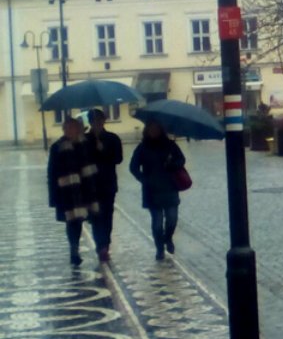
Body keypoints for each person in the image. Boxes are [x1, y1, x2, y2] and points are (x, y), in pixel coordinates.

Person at [129, 121, 186, 261]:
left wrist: (173, 164)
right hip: (152, 190)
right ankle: (159, 248)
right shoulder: (142, 147)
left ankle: (168, 238)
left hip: (170, 187)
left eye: (156, 129)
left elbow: (181, 159)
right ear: (147, 131)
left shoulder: (170, 145)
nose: (153, 131)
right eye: (151, 129)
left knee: (172, 219)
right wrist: (143, 179)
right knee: (157, 223)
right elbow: (133, 167)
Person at [47, 116, 99, 267]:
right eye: (67, 128)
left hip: (87, 189)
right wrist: (53, 197)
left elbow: (97, 161)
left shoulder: (86, 144)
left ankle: (101, 247)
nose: (70, 131)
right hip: (68, 192)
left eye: (73, 127)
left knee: (88, 219)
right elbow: (52, 172)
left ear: (79, 129)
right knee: (73, 222)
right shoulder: (57, 147)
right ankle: (74, 250)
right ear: (63, 130)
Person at [85, 108, 123, 264]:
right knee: (95, 216)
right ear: (90, 122)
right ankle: (100, 244)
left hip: (108, 183)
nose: (98, 123)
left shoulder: (112, 138)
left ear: (104, 121)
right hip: (90, 184)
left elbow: (118, 159)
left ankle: (105, 244)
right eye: (94, 121)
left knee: (107, 215)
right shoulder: (84, 139)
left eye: (100, 120)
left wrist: (104, 150)